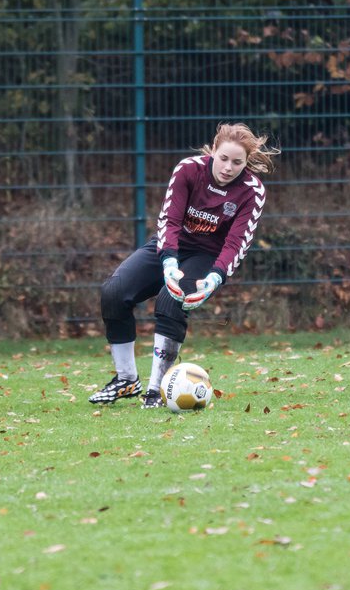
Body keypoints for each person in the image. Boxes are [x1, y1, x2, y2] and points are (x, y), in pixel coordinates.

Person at [88, 123, 277, 408]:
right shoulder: (188, 169)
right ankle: (126, 379)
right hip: (170, 246)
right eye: (223, 158)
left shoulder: (252, 191)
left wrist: (214, 278)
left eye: (237, 162)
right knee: (114, 292)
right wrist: (169, 263)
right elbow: (170, 220)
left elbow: (237, 244)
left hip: (207, 258)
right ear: (213, 150)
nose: (228, 167)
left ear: (246, 163)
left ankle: (156, 391)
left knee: (170, 300)